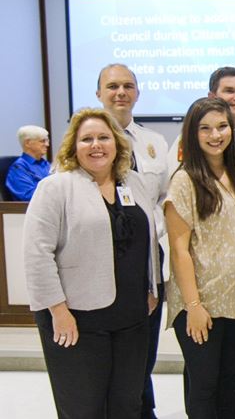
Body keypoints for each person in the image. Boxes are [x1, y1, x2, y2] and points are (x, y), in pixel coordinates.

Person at [23, 108, 160, 418]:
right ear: (74, 146)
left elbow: (148, 239)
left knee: (127, 405)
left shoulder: (134, 183)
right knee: (83, 408)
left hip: (131, 319)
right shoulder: (56, 187)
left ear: (117, 143)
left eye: (103, 137)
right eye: (86, 139)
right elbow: (36, 254)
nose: (96, 145)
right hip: (78, 320)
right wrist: (57, 310)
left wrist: (150, 287)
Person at [169, 66, 235, 419]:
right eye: (205, 128)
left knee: (233, 384)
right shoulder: (184, 181)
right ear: (192, 133)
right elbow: (180, 250)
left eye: (222, 127)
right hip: (205, 306)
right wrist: (194, 305)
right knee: (205, 386)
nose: (215, 135)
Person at [94, 63, 169, 419]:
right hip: (100, 262)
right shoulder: (84, 144)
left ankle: (141, 404)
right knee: (112, 348)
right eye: (112, 86)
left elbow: (165, 200)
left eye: (128, 86)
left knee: (144, 345)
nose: (120, 92)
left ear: (137, 92)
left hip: (148, 259)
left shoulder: (155, 144)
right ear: (99, 94)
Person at [5, 125, 51, 201]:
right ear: (27, 143)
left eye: (47, 141)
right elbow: (29, 196)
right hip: (31, 211)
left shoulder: (45, 164)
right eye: (42, 141)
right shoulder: (18, 168)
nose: (47, 144)